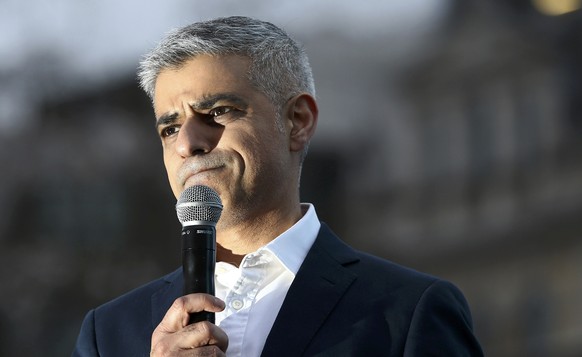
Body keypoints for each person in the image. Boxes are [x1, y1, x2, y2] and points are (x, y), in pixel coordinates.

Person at [72, 16, 484, 356]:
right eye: (170, 127)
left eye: (218, 111)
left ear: (297, 121)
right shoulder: (108, 334)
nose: (187, 143)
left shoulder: (407, 311)